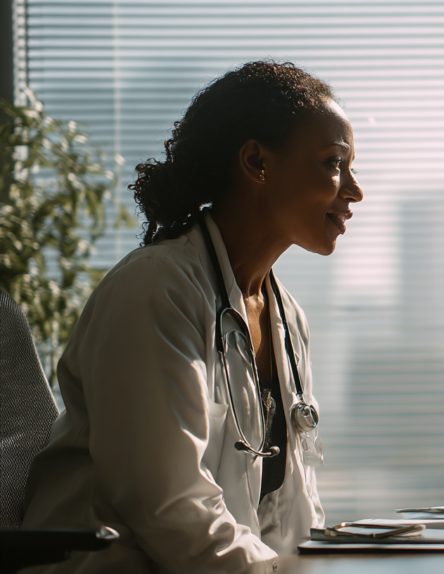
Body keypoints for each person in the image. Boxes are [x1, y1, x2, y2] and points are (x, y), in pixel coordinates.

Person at [21, 61, 363, 573]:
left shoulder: (286, 318)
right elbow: (171, 509)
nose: (354, 190)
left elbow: (294, 514)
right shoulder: (156, 290)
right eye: (334, 163)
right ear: (256, 161)